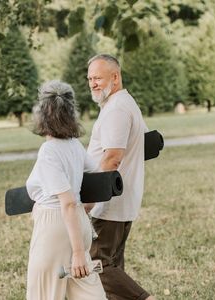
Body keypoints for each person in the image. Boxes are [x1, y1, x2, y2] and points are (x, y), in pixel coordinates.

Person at [26, 80, 107, 300]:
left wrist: (78, 252)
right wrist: (86, 208)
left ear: (42, 113)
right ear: (72, 113)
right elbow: (99, 178)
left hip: (55, 228)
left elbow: (68, 202)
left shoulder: (49, 151)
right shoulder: (74, 146)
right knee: (89, 293)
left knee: (44, 294)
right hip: (78, 224)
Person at [85, 54, 156, 300]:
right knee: (114, 265)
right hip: (121, 199)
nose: (93, 83)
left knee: (98, 265)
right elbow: (150, 144)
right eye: (90, 79)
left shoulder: (116, 109)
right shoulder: (124, 103)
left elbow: (112, 157)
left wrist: (89, 200)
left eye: (98, 78)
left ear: (115, 77)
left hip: (109, 202)